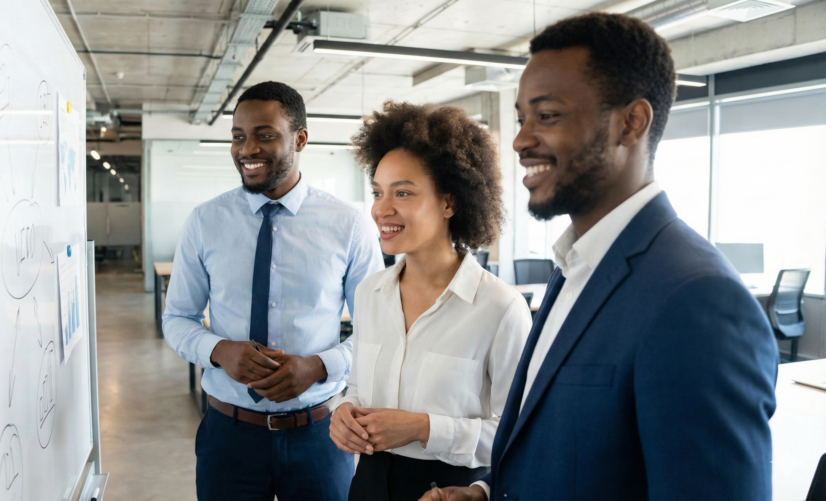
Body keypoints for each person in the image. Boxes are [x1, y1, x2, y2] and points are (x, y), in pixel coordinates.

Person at [420, 12, 777, 501]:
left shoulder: (697, 300)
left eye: (547, 115)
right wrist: (487, 493)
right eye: (522, 117)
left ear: (631, 123)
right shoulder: (575, 267)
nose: (521, 140)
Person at [162, 81, 384, 501]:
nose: (248, 149)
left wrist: (320, 366)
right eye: (238, 136)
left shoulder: (348, 226)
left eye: (265, 135)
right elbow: (176, 319)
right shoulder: (205, 221)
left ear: (300, 138)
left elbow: (376, 335)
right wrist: (219, 350)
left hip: (320, 435)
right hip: (229, 437)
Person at [330, 101, 532, 501]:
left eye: (402, 193)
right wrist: (342, 410)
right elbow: (358, 387)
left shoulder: (499, 307)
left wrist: (423, 427)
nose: (380, 209)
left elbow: (520, 436)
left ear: (449, 203)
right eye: (377, 192)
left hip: (448, 491)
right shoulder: (369, 292)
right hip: (368, 482)